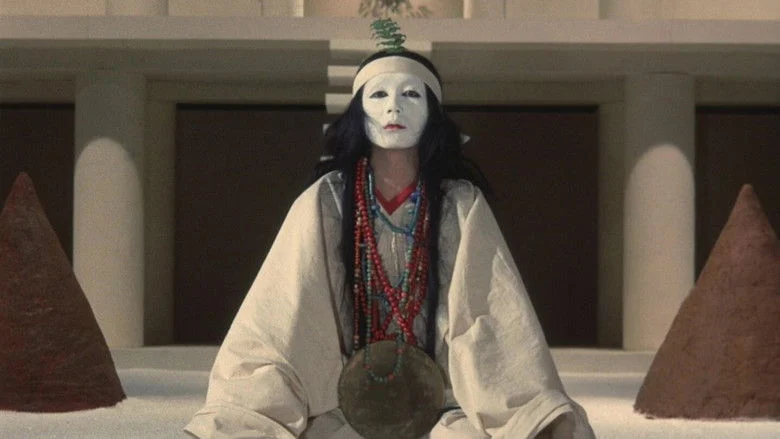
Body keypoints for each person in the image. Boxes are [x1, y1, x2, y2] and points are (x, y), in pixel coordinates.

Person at [185, 43, 594, 439]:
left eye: (411, 94)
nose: (393, 108)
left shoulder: (460, 202)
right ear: (358, 112)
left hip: (441, 397)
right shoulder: (327, 199)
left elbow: (490, 315)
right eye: (378, 94)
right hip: (346, 399)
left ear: (432, 112)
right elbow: (285, 310)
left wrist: (527, 409)